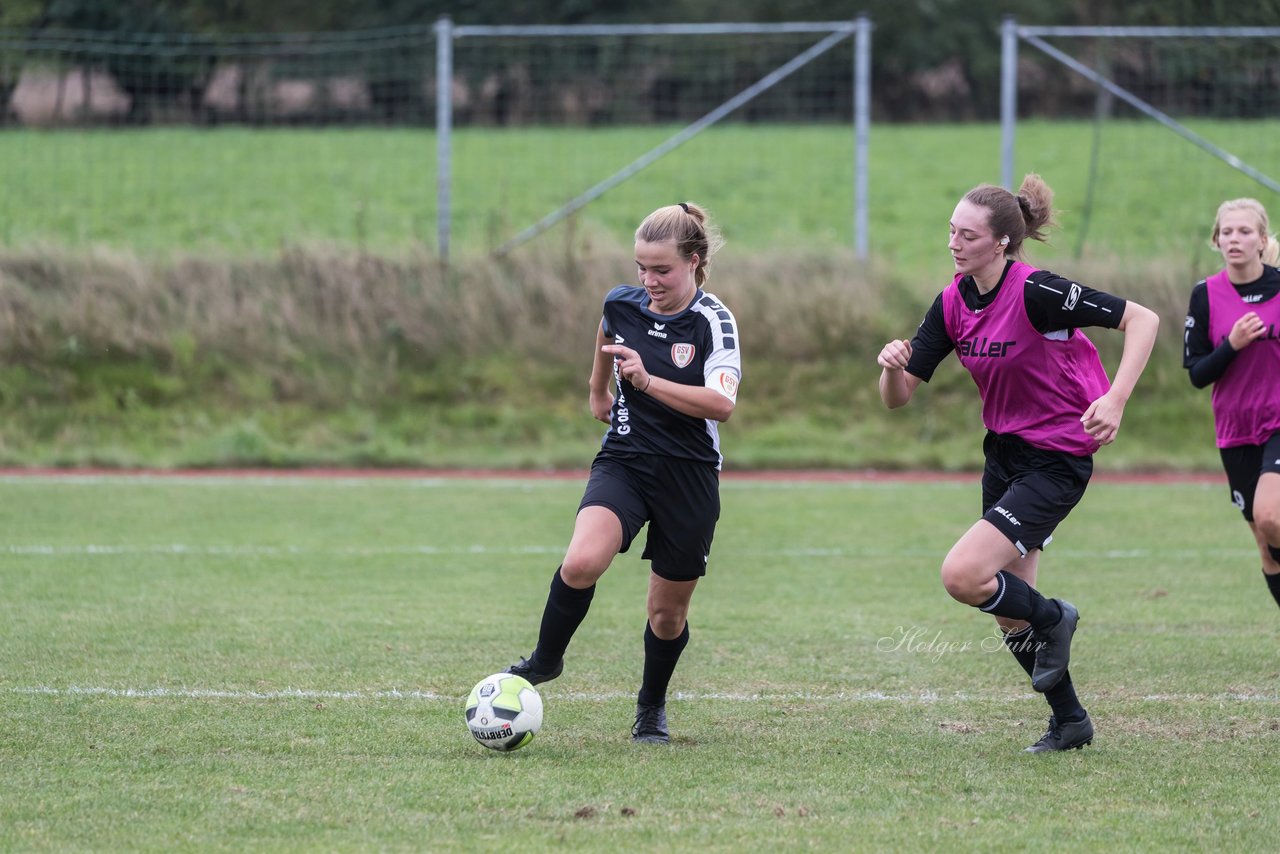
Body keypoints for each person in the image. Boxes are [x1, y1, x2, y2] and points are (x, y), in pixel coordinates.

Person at [876, 174, 1159, 753]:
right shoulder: (953, 300)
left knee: (964, 575)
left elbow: (1143, 319)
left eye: (968, 235)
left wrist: (1116, 398)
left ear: (1002, 241)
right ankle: (1071, 721)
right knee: (1008, 610)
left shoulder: (1038, 291)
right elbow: (899, 396)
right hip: (1004, 454)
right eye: (951, 231)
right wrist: (889, 366)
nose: (954, 243)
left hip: (1056, 457)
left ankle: (1057, 617)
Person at [504, 202, 742, 744]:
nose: (648, 280)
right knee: (583, 559)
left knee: (666, 616)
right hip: (626, 458)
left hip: (689, 475)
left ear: (695, 261)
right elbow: (607, 328)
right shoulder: (623, 302)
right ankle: (546, 659)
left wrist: (646, 382)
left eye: (662, 270)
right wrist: (596, 388)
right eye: (641, 267)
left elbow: (721, 404)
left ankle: (650, 707)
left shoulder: (714, 322)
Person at [1183, 198, 1280, 610]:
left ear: (1262, 239)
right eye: (1227, 232)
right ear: (1216, 240)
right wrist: (1232, 345)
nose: (1234, 239)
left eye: (1244, 232)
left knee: (1271, 517)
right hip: (1235, 429)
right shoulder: (1205, 295)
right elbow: (1197, 374)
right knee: (1265, 543)